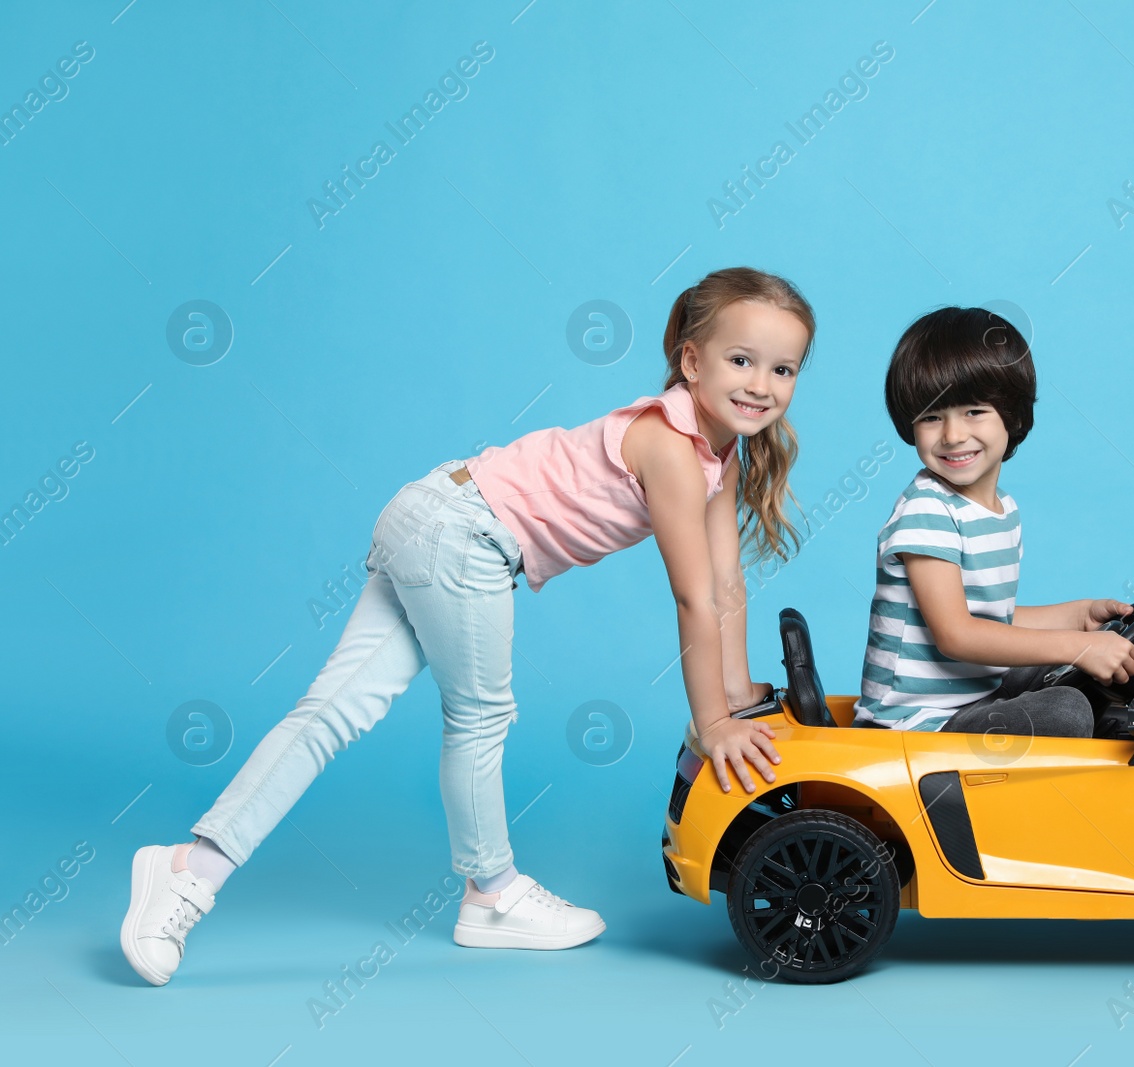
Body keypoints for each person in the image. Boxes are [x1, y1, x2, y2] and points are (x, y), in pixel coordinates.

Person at [121, 267, 816, 986]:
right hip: (464, 536)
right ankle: (491, 892)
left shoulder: (720, 449)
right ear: (691, 360)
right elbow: (693, 597)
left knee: (331, 711)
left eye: (783, 368)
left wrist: (735, 693)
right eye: (742, 360)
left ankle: (188, 868)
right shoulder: (669, 443)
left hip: (434, 512)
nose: (761, 384)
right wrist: (712, 721)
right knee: (480, 715)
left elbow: (728, 582)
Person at [853, 306, 1134, 736]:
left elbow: (993, 620)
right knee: (1067, 710)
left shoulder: (1002, 509)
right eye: (932, 416)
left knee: (1076, 675)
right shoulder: (927, 509)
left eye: (973, 411)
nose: (952, 435)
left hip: (972, 697)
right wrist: (1080, 646)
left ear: (1012, 414)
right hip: (916, 724)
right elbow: (957, 634)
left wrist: (1080, 618)